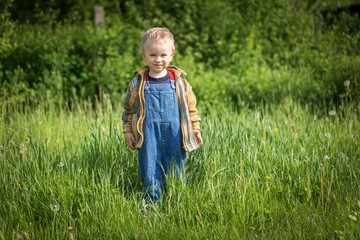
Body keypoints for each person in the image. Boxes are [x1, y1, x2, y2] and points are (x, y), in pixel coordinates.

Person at [122, 27, 203, 205]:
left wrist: (195, 129)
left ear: (172, 54)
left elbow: (191, 109)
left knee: (176, 167)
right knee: (150, 168)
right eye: (153, 55)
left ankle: (176, 202)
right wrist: (128, 131)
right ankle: (151, 205)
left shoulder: (180, 82)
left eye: (163, 55)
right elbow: (129, 109)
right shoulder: (139, 83)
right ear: (144, 55)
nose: (158, 60)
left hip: (176, 133)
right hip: (148, 134)